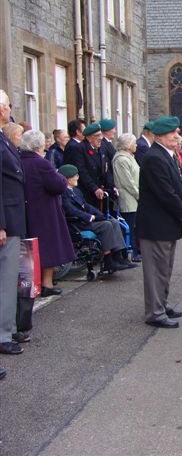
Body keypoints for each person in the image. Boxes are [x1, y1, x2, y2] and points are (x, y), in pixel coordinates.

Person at [137, 116, 182, 328]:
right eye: (173, 133)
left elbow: (176, 188)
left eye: (177, 132)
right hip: (156, 225)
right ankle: (155, 312)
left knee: (164, 268)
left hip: (166, 224)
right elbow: (165, 193)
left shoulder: (167, 155)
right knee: (156, 271)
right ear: (160, 136)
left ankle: (161, 304)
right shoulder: (155, 157)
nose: (177, 137)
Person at [20, 130, 76, 297]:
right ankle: (47, 283)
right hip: (45, 210)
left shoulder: (20, 160)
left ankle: (33, 283)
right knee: (48, 247)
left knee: (31, 249)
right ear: (39, 145)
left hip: (26, 209)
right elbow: (58, 185)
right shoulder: (41, 163)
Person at [60, 164, 134, 273]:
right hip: (77, 223)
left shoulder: (76, 191)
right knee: (106, 225)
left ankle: (118, 256)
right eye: (76, 176)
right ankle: (108, 260)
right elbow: (70, 210)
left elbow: (86, 205)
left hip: (83, 220)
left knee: (113, 221)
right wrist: (89, 216)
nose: (78, 178)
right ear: (69, 179)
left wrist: (100, 215)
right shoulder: (63, 193)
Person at [1, 89, 27, 360]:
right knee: (5, 279)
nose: (10, 110)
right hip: (5, 220)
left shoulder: (3, 139)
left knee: (9, 278)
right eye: (9, 106)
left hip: (12, 217)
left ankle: (7, 328)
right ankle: (3, 334)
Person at [69, 123, 116, 209]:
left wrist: (112, 186)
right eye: (97, 136)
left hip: (102, 190)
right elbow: (82, 171)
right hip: (88, 191)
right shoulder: (80, 148)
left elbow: (106, 169)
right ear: (89, 137)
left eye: (101, 135)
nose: (100, 138)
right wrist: (94, 188)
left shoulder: (102, 148)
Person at [112, 133, 141, 262]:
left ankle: (134, 251)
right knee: (129, 225)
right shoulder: (121, 159)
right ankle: (129, 254)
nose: (136, 145)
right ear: (128, 145)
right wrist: (138, 194)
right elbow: (127, 181)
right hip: (128, 198)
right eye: (134, 143)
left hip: (133, 197)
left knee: (134, 226)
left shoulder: (130, 157)